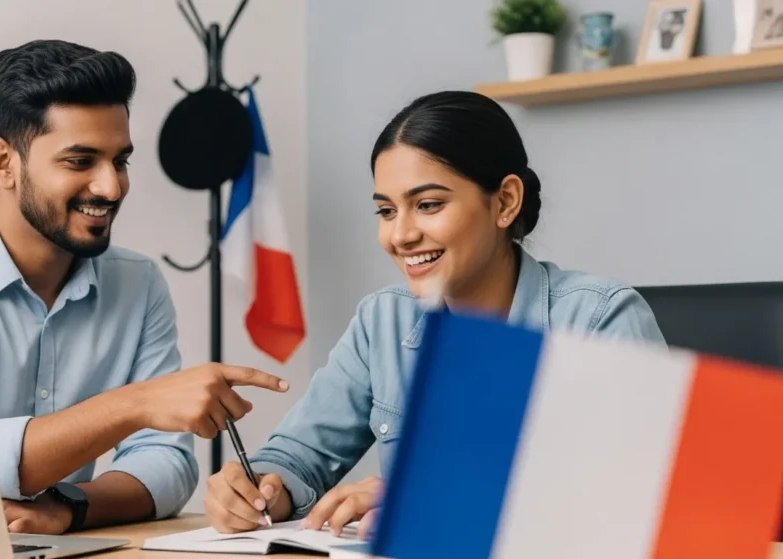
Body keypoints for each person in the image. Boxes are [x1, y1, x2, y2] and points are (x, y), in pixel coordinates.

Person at [0, 40, 290, 535]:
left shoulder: (139, 284)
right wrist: (136, 403)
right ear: (3, 163)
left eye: (120, 160)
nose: (111, 187)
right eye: (80, 162)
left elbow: (167, 464)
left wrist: (68, 509)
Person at [203, 91, 665, 539]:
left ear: (504, 202)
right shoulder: (382, 321)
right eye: (386, 211)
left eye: (428, 205)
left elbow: (639, 497)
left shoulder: (600, 320)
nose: (400, 235)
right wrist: (261, 489)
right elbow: (300, 454)